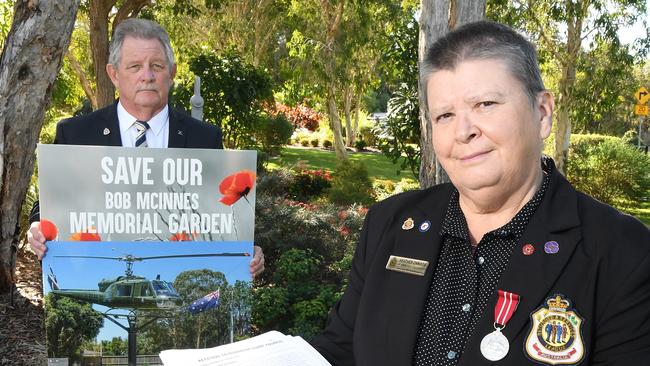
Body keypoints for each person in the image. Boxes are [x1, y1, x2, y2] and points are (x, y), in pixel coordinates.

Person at [311, 21, 650, 365]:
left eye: (485, 104)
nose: (463, 131)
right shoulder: (391, 224)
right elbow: (340, 350)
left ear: (543, 112)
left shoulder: (621, 253)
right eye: (444, 115)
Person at [27, 18, 264, 277]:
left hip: (176, 282)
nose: (147, 76)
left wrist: (247, 251)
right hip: (96, 273)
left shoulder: (204, 139)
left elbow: (221, 217)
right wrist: (37, 226)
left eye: (157, 66)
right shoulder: (76, 134)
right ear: (114, 74)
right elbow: (52, 204)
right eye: (135, 66)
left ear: (171, 74)